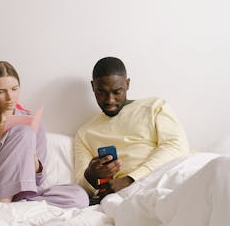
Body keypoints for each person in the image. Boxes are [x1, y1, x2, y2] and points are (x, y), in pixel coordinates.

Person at [0, 61, 89, 208]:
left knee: (79, 197)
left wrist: (35, 163)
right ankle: (3, 207)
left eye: (14, 89)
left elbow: (37, 181)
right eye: (1, 92)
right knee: (22, 131)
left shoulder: (33, 123)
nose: (10, 97)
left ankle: (17, 206)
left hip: (20, 193)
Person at [74, 57, 190, 204]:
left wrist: (131, 180)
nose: (110, 100)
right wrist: (90, 175)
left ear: (127, 84)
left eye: (117, 92)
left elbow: (177, 147)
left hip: (165, 180)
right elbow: (79, 188)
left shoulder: (154, 106)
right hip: (123, 198)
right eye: (101, 92)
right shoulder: (85, 133)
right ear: (93, 87)